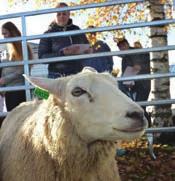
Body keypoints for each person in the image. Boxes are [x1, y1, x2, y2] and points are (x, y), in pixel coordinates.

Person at [38, 2, 90, 78]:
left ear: (69, 14)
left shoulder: (77, 29)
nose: (61, 16)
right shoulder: (48, 34)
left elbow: (87, 47)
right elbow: (42, 58)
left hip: (78, 74)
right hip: (56, 75)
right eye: (58, 14)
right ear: (54, 16)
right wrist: (63, 54)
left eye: (64, 14)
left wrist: (88, 50)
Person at [116, 38, 151, 126]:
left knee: (140, 107)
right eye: (120, 48)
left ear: (127, 44)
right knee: (137, 107)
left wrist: (139, 66)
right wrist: (128, 82)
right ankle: (146, 129)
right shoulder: (125, 58)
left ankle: (149, 129)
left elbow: (141, 64)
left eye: (123, 46)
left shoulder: (136, 52)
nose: (122, 48)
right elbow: (126, 72)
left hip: (142, 84)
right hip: (133, 85)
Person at [0, 21, 33, 111]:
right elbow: (4, 68)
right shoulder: (7, 48)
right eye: (2, 34)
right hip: (9, 89)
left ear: (12, 32)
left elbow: (23, 69)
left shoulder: (22, 46)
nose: (4, 37)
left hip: (19, 88)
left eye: (5, 33)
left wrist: (5, 79)